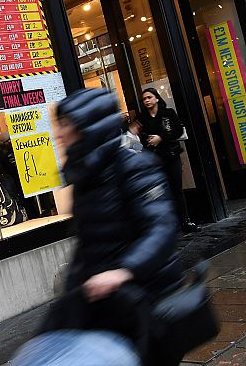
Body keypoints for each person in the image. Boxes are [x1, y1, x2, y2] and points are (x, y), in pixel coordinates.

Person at [50, 89, 184, 365]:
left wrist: (123, 271)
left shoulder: (136, 166)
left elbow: (161, 228)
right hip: (107, 300)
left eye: (65, 125)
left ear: (88, 126)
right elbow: (88, 244)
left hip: (145, 297)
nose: (58, 134)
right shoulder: (85, 177)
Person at [130, 88, 200, 233]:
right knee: (160, 193)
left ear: (156, 98)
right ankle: (169, 224)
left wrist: (160, 138)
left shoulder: (168, 113)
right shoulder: (142, 118)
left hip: (171, 157)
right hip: (154, 161)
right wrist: (143, 144)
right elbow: (133, 139)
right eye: (144, 99)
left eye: (149, 97)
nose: (147, 100)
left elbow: (178, 131)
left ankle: (185, 221)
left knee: (177, 190)